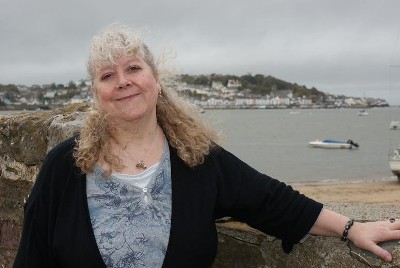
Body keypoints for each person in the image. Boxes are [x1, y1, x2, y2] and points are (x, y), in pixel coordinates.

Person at [14, 23, 400, 268]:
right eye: (107, 75)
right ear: (96, 92)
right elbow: (32, 258)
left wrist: (352, 228)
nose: (122, 81)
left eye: (133, 68)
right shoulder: (64, 167)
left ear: (155, 79)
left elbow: (274, 201)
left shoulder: (196, 158)